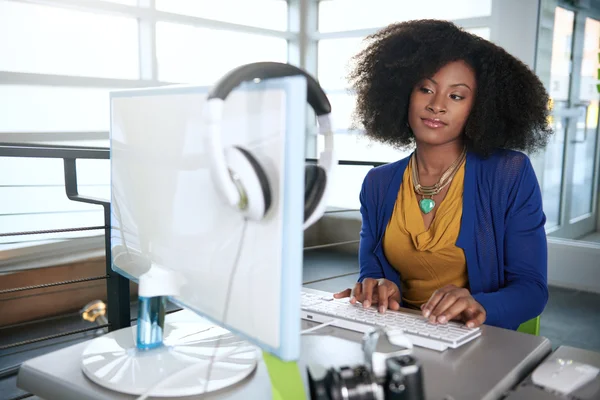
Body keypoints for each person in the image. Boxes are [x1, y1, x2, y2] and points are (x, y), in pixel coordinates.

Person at [333, 19, 553, 331]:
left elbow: (532, 290)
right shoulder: (377, 184)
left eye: (456, 96)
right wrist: (376, 287)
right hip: (398, 335)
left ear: (478, 108)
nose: (436, 105)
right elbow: (371, 269)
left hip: (475, 337)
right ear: (403, 94)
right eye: (426, 89)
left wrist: (478, 305)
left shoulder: (508, 174)